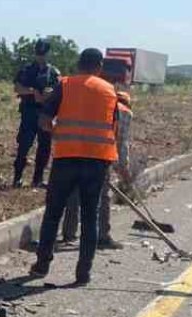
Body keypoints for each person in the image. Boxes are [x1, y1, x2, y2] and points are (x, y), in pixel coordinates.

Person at [28, 48, 119, 286]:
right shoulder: (110, 91)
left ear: (79, 64)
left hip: (66, 159)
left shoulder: (64, 85)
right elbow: (113, 127)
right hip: (97, 162)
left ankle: (41, 266)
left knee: (53, 214)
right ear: (99, 67)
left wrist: (59, 132)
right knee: (90, 217)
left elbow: (45, 120)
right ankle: (83, 274)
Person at [60, 90, 134, 250]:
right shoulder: (125, 113)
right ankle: (102, 236)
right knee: (102, 198)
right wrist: (122, 168)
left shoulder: (95, 105)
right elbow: (121, 142)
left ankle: (68, 233)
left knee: (74, 194)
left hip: (75, 152)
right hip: (100, 157)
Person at [12, 39, 60, 188]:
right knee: (24, 146)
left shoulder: (53, 72)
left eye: (43, 54)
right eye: (39, 53)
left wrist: (49, 93)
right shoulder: (26, 70)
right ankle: (17, 178)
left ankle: (37, 179)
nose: (41, 57)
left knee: (44, 147)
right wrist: (33, 92)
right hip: (29, 112)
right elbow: (17, 88)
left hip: (45, 113)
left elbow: (59, 90)